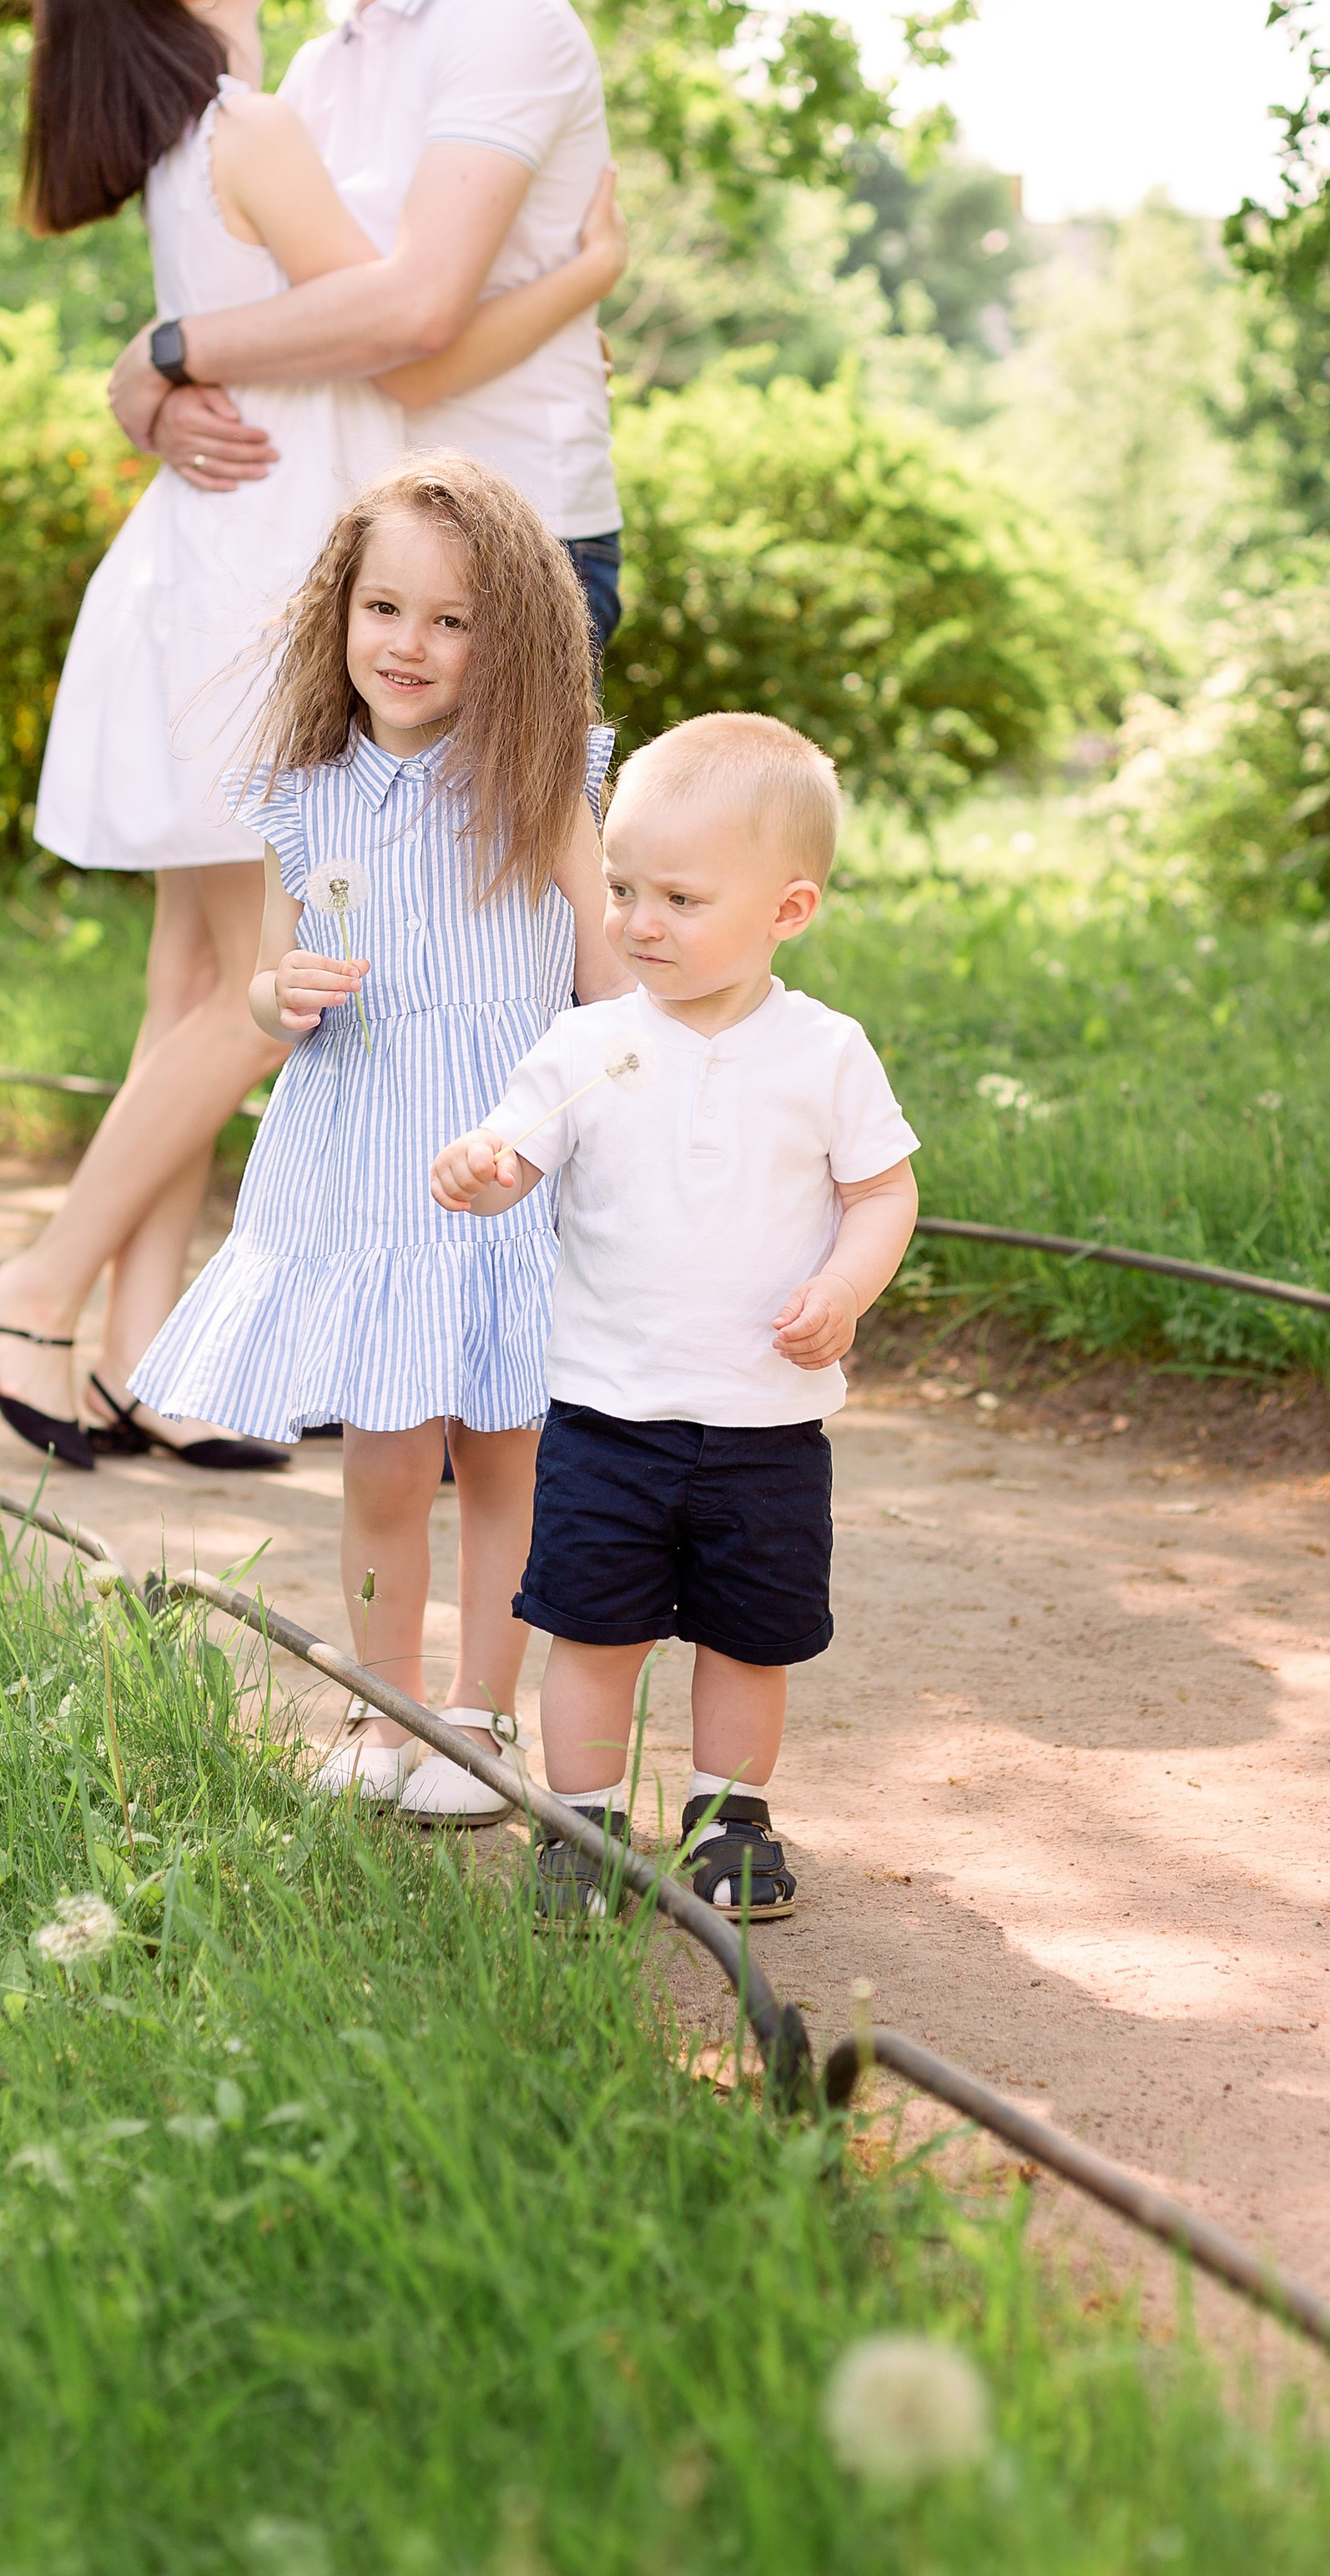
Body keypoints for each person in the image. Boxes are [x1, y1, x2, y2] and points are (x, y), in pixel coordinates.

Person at [0, 0, 624, 1477]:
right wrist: (580, 281)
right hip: (260, 590)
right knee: (267, 988)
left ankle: (141, 1356)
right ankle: (41, 1289)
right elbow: (411, 343)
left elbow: (251, 335)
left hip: (214, 571)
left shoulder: (211, 139)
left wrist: (157, 372)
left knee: (194, 988)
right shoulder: (248, 125)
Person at [128, 455, 629, 1821]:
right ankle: (379, 1701)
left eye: (452, 620)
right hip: (362, 1169)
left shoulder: (535, 785)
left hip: (505, 1164)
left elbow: (611, 981)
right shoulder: (308, 795)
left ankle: (480, 1718)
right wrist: (270, 996)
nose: (410, 644)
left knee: (508, 1450)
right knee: (386, 1457)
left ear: (507, 637)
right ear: (338, 616)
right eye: (385, 609)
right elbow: (271, 979)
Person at [429, 714, 921, 1921]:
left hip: (765, 1422)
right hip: (609, 1414)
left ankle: (727, 1815)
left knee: (751, 1640)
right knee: (591, 1633)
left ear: (787, 912)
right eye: (622, 888)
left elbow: (882, 1192)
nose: (638, 921)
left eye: (680, 898)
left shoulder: (825, 1053)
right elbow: (517, 1165)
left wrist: (846, 1290)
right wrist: (483, 1166)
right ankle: (581, 1826)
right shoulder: (587, 1043)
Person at [105, 0, 624, 653]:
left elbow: (412, 320)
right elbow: (298, 315)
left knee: (512, 814)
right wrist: (165, 393)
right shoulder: (318, 68)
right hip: (371, 554)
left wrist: (172, 350)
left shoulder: (502, 19)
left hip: (510, 548)